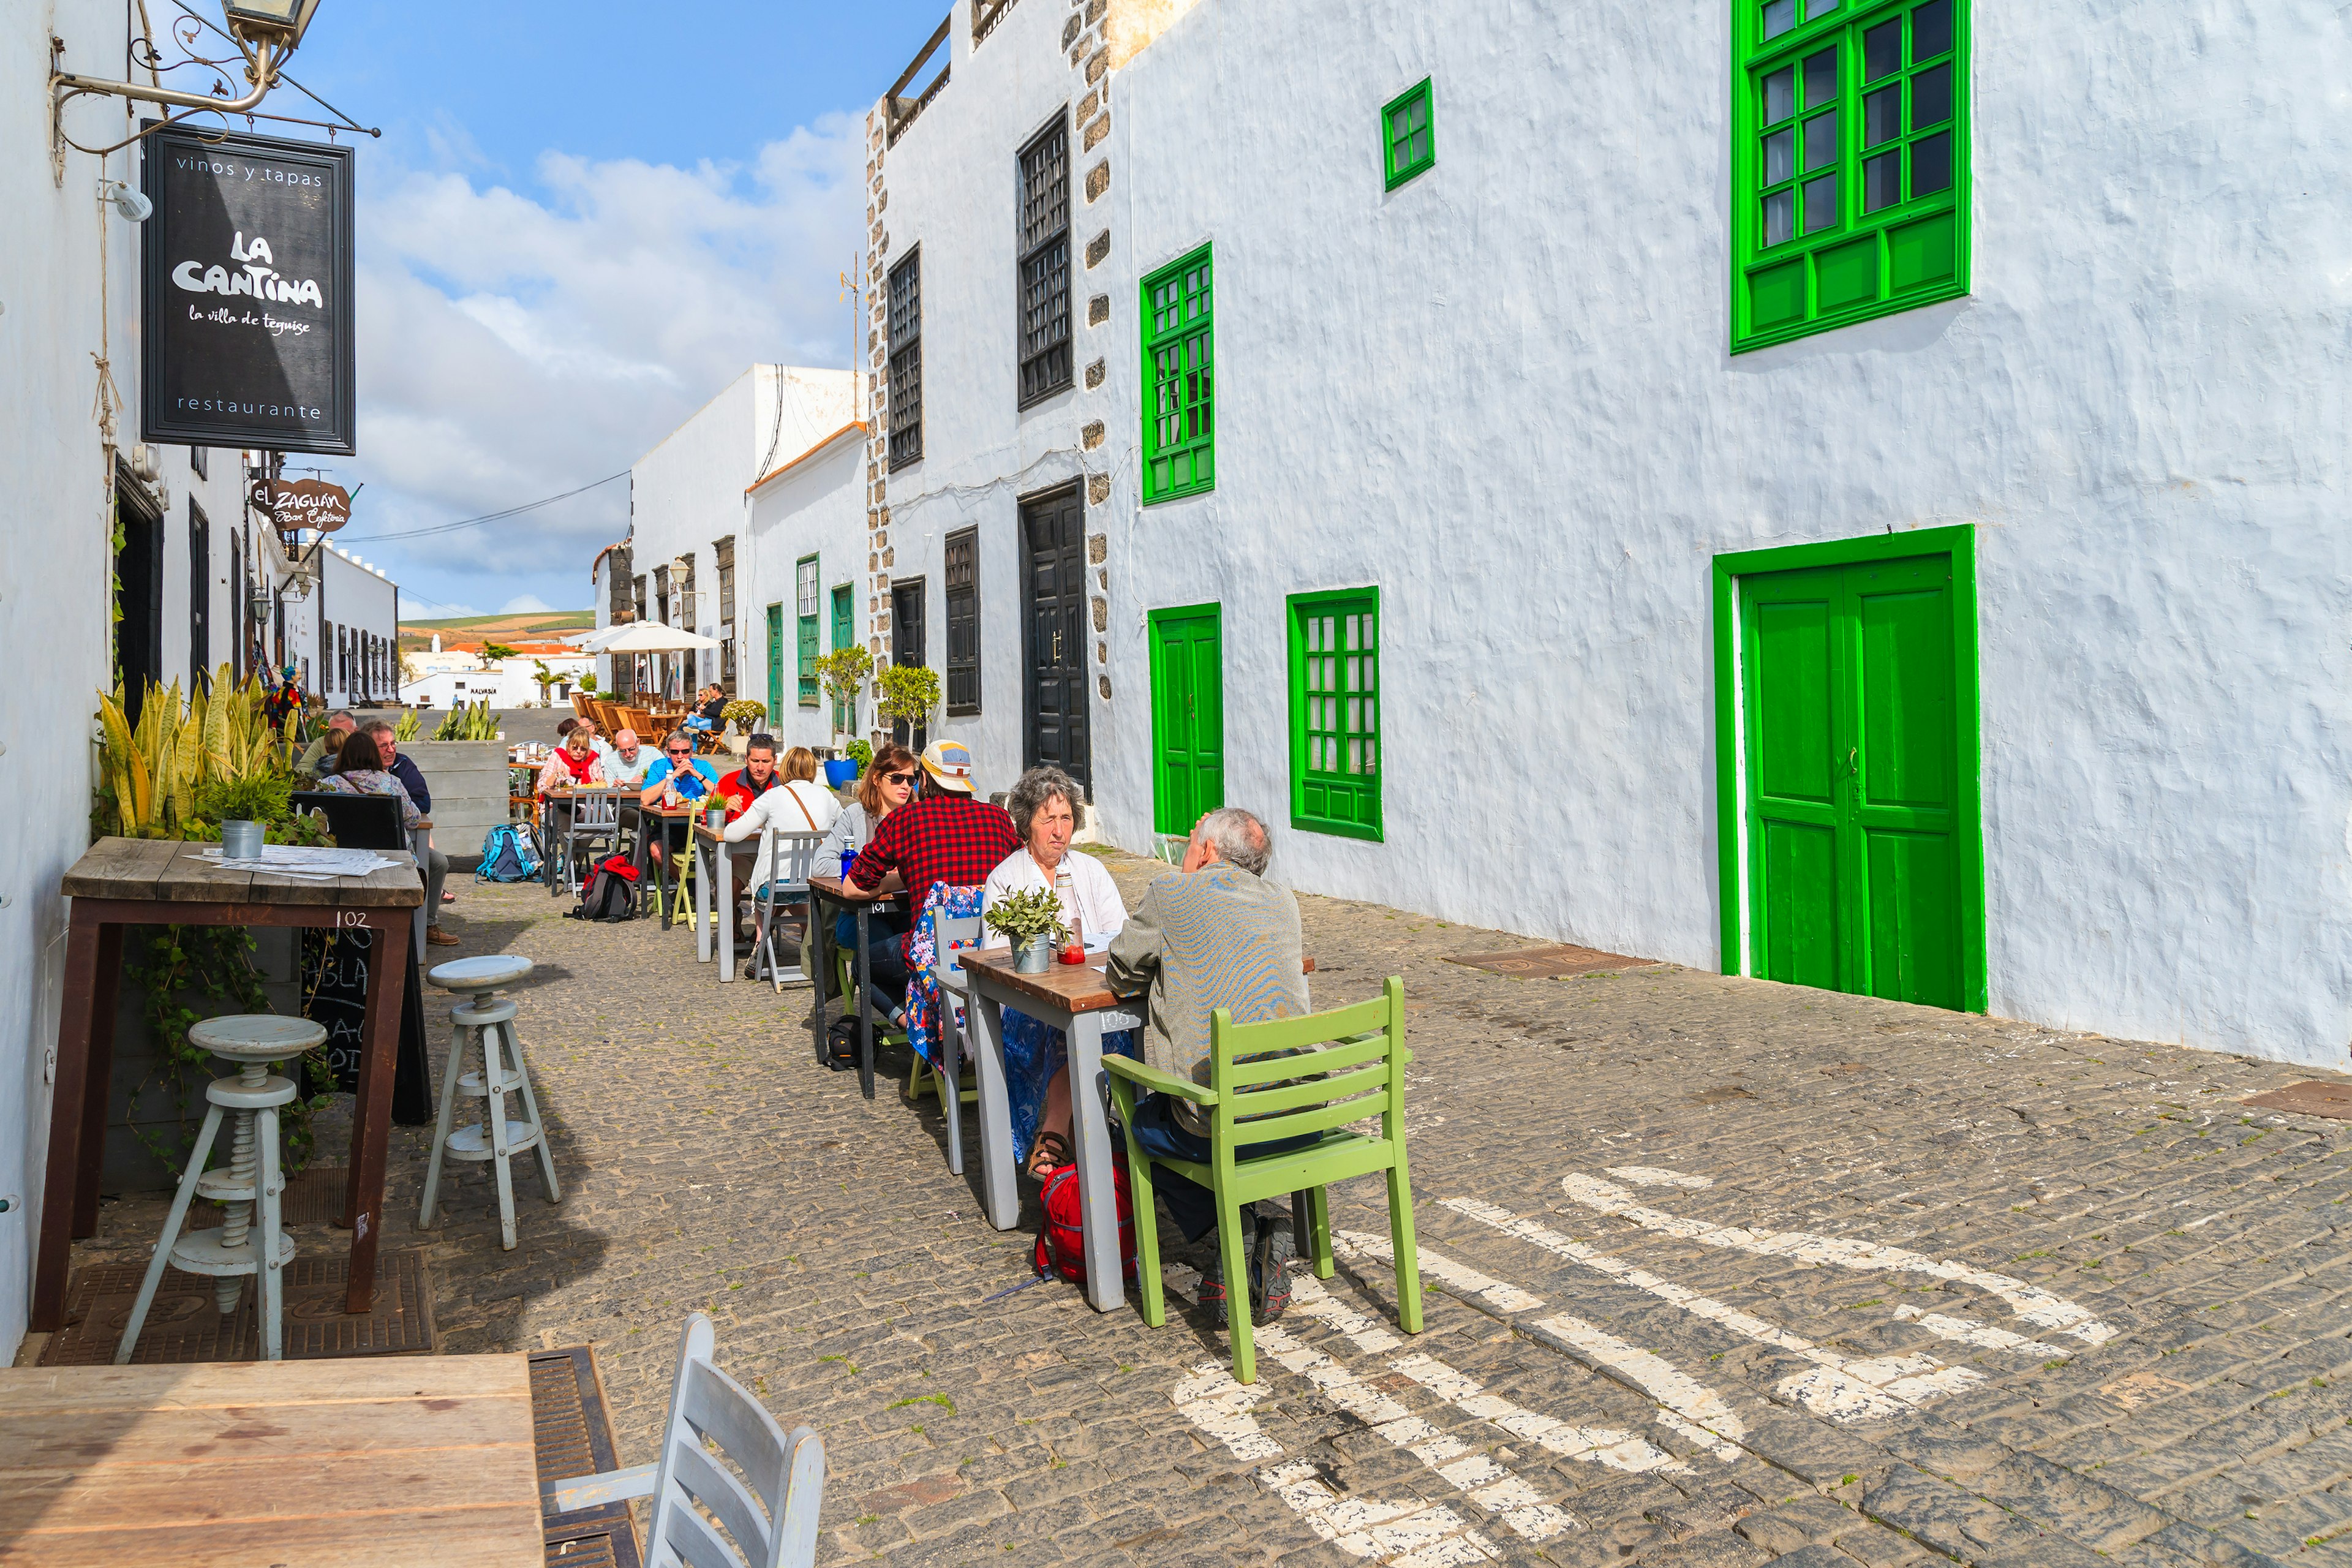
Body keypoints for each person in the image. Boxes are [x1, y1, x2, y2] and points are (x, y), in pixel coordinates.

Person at [1107, 807, 1310, 1325]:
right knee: (1218, 1099)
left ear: (1210, 851)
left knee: (1135, 1123)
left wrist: (1182, 881)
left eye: (1193, 839)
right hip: (1299, 1121)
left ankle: (1231, 1227)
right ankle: (1255, 1225)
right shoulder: (1284, 901)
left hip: (1224, 1128)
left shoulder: (1172, 894)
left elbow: (1122, 973)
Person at [978, 767, 1132, 1177]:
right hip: (1025, 1007)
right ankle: (1056, 1138)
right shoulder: (1006, 878)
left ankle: (1079, 1139)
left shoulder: (1090, 870)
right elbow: (997, 959)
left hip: (1087, 996)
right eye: (1048, 820)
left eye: (1066, 819)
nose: (1059, 830)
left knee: (1101, 1023)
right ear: (1027, 823)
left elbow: (1121, 937)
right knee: (1066, 1029)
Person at [840, 740, 1017, 1032]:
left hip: (932, 955)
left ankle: (918, 1024)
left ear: (924, 779)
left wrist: (897, 878)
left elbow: (852, 888)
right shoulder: (999, 819)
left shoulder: (904, 821)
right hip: (990, 950)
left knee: (863, 962)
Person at [317, 730, 458, 946]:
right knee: (434, 860)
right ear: (374, 754)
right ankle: (422, 931)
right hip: (391, 860)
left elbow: (317, 821)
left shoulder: (328, 785)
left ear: (343, 756)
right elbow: (412, 820)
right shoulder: (390, 783)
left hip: (344, 860)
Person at [824, 743, 918, 959]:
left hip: (905, 910)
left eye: (911, 780)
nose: (905, 785)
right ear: (877, 779)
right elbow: (821, 864)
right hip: (859, 913)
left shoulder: (916, 819)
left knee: (915, 945)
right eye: (897, 778)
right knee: (888, 947)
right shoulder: (857, 815)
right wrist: (872, 873)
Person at [363, 720, 452, 908]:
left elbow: (423, 803)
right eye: (384, 745)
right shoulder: (374, 777)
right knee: (432, 861)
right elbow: (413, 815)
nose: (391, 750)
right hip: (376, 848)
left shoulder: (402, 764)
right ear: (368, 748)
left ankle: (428, 925)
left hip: (395, 841)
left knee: (438, 862)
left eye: (393, 743)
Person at [638, 728, 723, 875]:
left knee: (726, 847)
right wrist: (673, 776)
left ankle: (711, 885)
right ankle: (689, 887)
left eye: (685, 751)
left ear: (692, 751)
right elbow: (645, 799)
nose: (680, 757)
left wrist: (697, 775)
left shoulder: (703, 767)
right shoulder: (659, 767)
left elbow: (720, 795)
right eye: (675, 752)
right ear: (668, 752)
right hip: (670, 826)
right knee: (656, 851)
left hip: (700, 825)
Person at [298, 710, 355, 774]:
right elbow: (302, 768)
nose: (339, 737)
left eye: (344, 733)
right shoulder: (321, 742)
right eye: (334, 733)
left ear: (355, 730)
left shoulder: (363, 744)